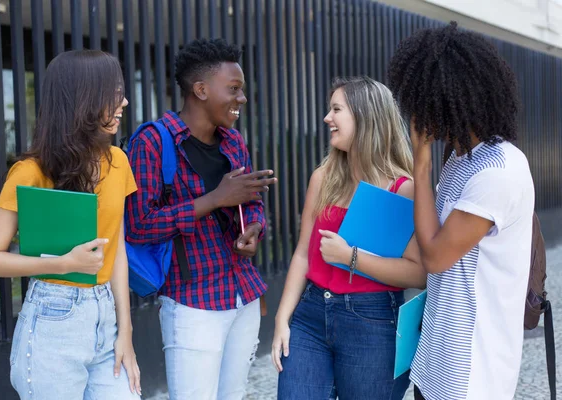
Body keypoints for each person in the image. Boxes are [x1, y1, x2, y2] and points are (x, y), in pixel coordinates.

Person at [0, 50, 141, 399]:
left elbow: (117, 249)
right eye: (114, 92)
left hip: (105, 317)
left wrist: (126, 330)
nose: (123, 101)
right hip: (53, 321)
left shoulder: (119, 162)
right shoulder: (32, 171)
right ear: (85, 99)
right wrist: (65, 263)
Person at [387, 21, 535, 400]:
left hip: (472, 375)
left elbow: (435, 257)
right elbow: (428, 237)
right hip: (436, 361)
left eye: (423, 105)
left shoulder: (498, 170)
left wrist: (420, 165)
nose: (417, 118)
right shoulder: (461, 159)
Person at [124, 38, 276, 400]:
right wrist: (212, 200)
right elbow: (139, 224)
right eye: (234, 89)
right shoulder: (152, 142)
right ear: (201, 89)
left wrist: (253, 228)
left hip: (243, 296)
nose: (242, 99)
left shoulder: (233, 142)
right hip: (193, 302)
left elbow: (250, 203)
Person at [272, 76, 426, 400]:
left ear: (364, 116)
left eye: (336, 110)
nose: (328, 118)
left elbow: (418, 272)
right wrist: (282, 317)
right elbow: (302, 254)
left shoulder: (402, 187)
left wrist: (349, 257)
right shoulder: (323, 177)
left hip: (372, 321)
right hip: (310, 316)